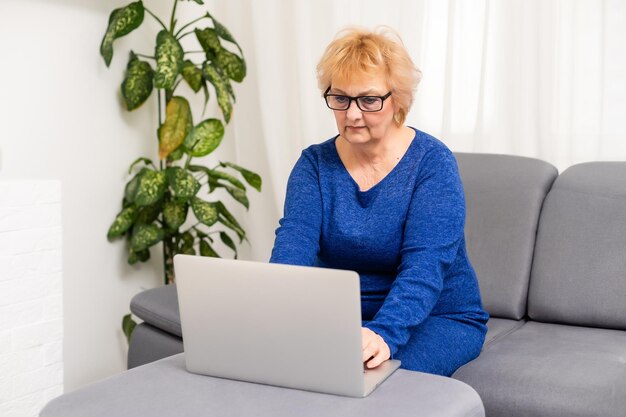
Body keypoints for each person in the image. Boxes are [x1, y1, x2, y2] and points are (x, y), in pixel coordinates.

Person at [269, 26, 488, 377]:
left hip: (434, 318)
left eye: (369, 100)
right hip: (340, 320)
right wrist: (274, 314)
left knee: (370, 379)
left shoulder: (432, 163)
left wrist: (383, 333)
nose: (352, 114)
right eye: (340, 98)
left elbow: (425, 267)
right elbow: (292, 247)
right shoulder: (314, 164)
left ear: (397, 99)